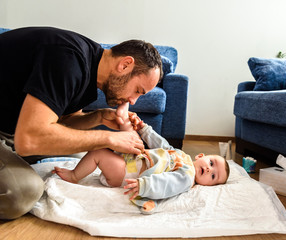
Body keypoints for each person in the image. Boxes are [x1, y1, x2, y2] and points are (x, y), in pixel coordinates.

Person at [0, 27, 163, 219]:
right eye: (138, 90)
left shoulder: (92, 70)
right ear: (125, 64)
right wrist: (108, 138)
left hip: (14, 128)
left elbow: (61, 121)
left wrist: (99, 118)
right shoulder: (67, 60)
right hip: (21, 134)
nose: (134, 101)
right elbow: (29, 140)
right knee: (23, 193)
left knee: (81, 157)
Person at [52, 103, 230, 214]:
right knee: (132, 137)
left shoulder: (186, 177)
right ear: (201, 156)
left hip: (128, 173)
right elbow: (161, 145)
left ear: (208, 185)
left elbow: (167, 184)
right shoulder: (180, 155)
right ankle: (123, 118)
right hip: (136, 159)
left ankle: (75, 176)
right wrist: (144, 129)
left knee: (98, 152)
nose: (209, 170)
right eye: (211, 163)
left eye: (213, 176)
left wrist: (145, 186)